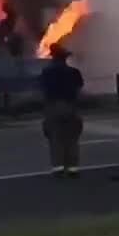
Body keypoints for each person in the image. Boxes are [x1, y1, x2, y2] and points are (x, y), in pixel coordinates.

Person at [40, 43, 85, 178]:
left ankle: (58, 168)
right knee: (71, 138)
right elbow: (79, 89)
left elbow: (42, 90)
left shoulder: (47, 73)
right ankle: (73, 169)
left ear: (53, 58)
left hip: (53, 107)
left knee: (55, 139)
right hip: (71, 107)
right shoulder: (74, 72)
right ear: (65, 59)